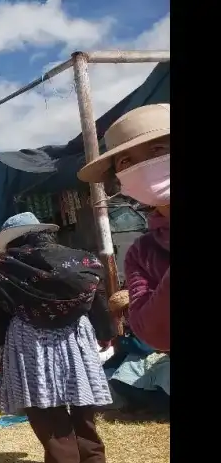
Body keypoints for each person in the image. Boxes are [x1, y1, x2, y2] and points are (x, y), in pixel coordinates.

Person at [0, 212, 114, 463]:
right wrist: (105, 333)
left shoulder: (11, 267)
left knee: (45, 405)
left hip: (31, 341)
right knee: (81, 399)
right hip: (75, 336)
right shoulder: (81, 260)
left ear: (15, 239)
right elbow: (96, 298)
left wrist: (0, 346)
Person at [78, 103, 170, 352]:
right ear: (119, 178)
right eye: (126, 161)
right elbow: (153, 332)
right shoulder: (142, 253)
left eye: (158, 149)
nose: (144, 167)